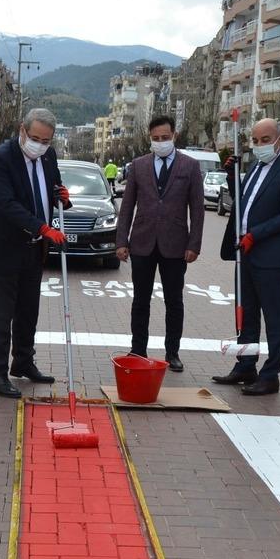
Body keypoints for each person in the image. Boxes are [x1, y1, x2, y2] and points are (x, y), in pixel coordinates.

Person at [0, 107, 70, 398]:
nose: (39, 145)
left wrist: (63, 198)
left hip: (33, 250)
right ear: (22, 129)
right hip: (3, 247)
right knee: (1, 316)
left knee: (28, 312)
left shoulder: (48, 156)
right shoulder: (1, 158)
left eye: (46, 140)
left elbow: (49, 190)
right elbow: (5, 204)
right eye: (35, 137)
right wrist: (43, 228)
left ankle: (23, 362)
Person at [211, 118, 280, 395]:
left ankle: (271, 373)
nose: (260, 145)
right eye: (255, 140)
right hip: (245, 254)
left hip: (271, 257)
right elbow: (242, 201)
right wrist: (232, 176)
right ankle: (245, 365)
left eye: (266, 140)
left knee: (274, 317)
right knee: (247, 314)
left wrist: (256, 234)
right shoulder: (255, 167)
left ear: (279, 139)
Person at [115, 115, 204, 372]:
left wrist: (194, 245)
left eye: (165, 138)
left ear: (174, 135)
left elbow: (197, 210)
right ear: (150, 138)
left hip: (176, 245)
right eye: (156, 139)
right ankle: (138, 349)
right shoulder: (139, 165)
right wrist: (122, 241)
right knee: (140, 300)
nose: (161, 142)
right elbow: (127, 206)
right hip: (142, 242)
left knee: (174, 301)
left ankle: (172, 352)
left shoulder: (190, 166)